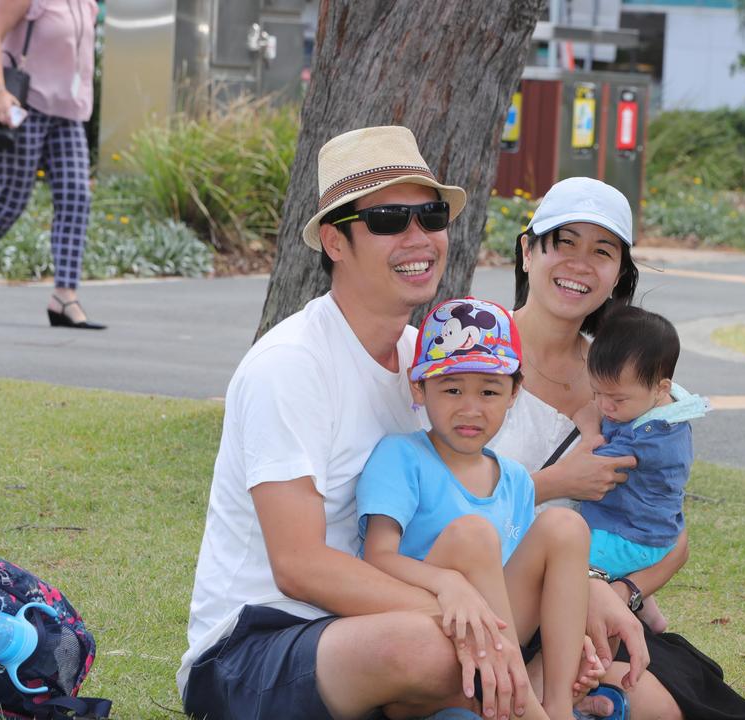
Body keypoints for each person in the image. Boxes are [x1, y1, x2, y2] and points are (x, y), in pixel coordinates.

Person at [179, 126, 521, 720]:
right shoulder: (291, 366)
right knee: (442, 649)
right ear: (335, 242)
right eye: (389, 220)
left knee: (552, 623)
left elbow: (488, 501)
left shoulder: (430, 362)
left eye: (431, 215)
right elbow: (299, 565)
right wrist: (448, 605)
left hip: (366, 625)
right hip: (251, 652)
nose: (419, 238)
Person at [490, 177, 745, 720]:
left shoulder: (627, 379)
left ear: (619, 273)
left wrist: (617, 594)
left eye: (602, 251)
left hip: (599, 602)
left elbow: (671, 532)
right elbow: (444, 497)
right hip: (498, 601)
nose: (579, 263)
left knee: (665, 702)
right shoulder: (475, 358)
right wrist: (560, 486)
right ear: (527, 251)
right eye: (563, 242)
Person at [357, 297, 599, 720]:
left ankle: (556, 707)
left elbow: (522, 578)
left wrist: (567, 627)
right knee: (473, 536)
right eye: (452, 390)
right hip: (426, 643)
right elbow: (378, 559)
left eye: (489, 391)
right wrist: (449, 583)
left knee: (565, 525)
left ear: (514, 393)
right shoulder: (402, 456)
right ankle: (524, 703)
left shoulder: (516, 480)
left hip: (498, 640)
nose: (471, 408)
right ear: (419, 388)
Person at [0, 0, 105, 329]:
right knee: (9, 200)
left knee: (76, 198)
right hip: (25, 106)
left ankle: (65, 296)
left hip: (68, 113)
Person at [580, 305, 708, 630]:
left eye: (617, 399)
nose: (605, 406)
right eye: (597, 393)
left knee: (567, 564)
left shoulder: (651, 436)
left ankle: (613, 626)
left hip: (633, 537)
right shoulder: (662, 404)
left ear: (661, 388)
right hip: (644, 527)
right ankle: (648, 611)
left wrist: (587, 427)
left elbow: (596, 464)